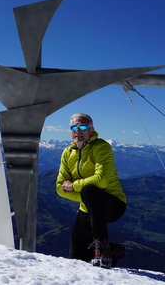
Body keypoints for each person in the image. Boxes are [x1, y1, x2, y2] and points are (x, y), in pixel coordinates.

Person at [56, 113, 127, 268]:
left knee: (90, 190)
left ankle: (103, 250)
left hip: (113, 203)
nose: (78, 131)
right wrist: (85, 198)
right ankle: (114, 251)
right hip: (87, 206)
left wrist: (73, 186)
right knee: (76, 258)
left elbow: (101, 181)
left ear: (91, 130)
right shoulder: (67, 153)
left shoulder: (102, 147)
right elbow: (60, 188)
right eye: (73, 127)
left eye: (82, 127)